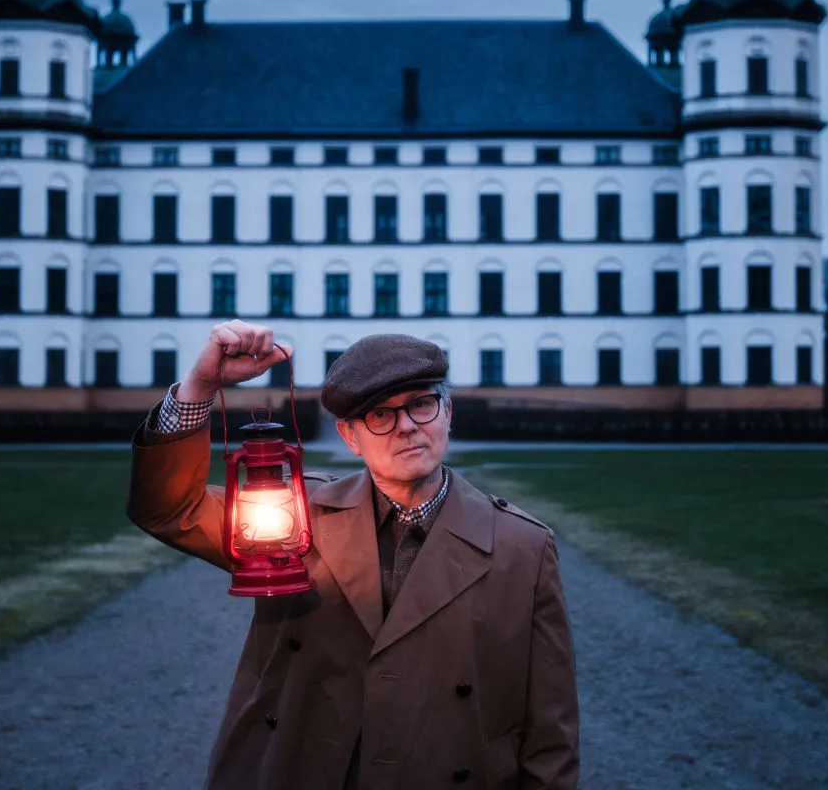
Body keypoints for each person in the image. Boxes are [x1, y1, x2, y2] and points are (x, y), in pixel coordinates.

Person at [127, 319, 579, 790]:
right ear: (349, 437)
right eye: (380, 415)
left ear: (448, 412)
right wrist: (199, 387)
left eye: (421, 405)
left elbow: (550, 729)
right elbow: (168, 509)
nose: (406, 427)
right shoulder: (290, 519)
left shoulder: (523, 547)